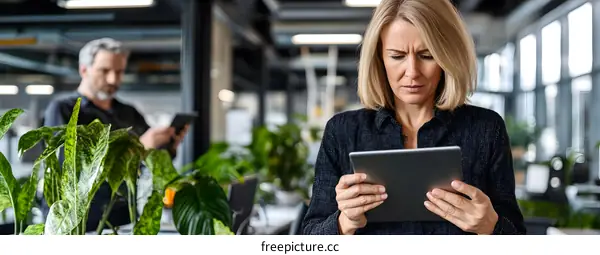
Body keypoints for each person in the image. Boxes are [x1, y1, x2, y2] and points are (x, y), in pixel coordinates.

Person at [301, 0, 526, 235]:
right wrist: (345, 222)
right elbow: (309, 239)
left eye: (427, 55)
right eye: (397, 56)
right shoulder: (342, 131)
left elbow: (518, 239)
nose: (412, 72)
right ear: (379, 58)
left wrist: (490, 226)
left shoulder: (486, 129)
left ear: (447, 56)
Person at [42, 38, 189, 231]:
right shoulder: (65, 110)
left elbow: (149, 161)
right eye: (104, 71)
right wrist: (139, 147)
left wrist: (168, 145)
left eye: (119, 72)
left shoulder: (128, 112)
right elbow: (69, 169)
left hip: (123, 216)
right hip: (81, 221)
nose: (113, 79)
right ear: (84, 70)